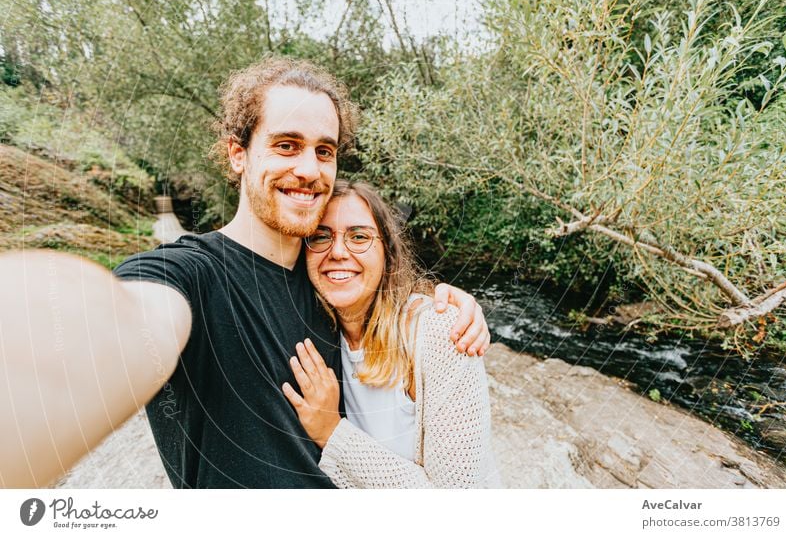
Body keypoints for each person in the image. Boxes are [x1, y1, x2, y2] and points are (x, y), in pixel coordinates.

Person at [0, 57, 490, 489]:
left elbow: (382, 296)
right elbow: (128, 316)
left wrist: (441, 303)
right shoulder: (192, 274)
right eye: (286, 144)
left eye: (325, 150)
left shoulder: (326, 279)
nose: (309, 168)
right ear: (238, 153)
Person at [281, 180, 500, 487]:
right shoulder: (318, 329)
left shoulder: (440, 333)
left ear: (388, 251)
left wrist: (332, 432)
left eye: (359, 236)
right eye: (321, 237)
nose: (339, 252)